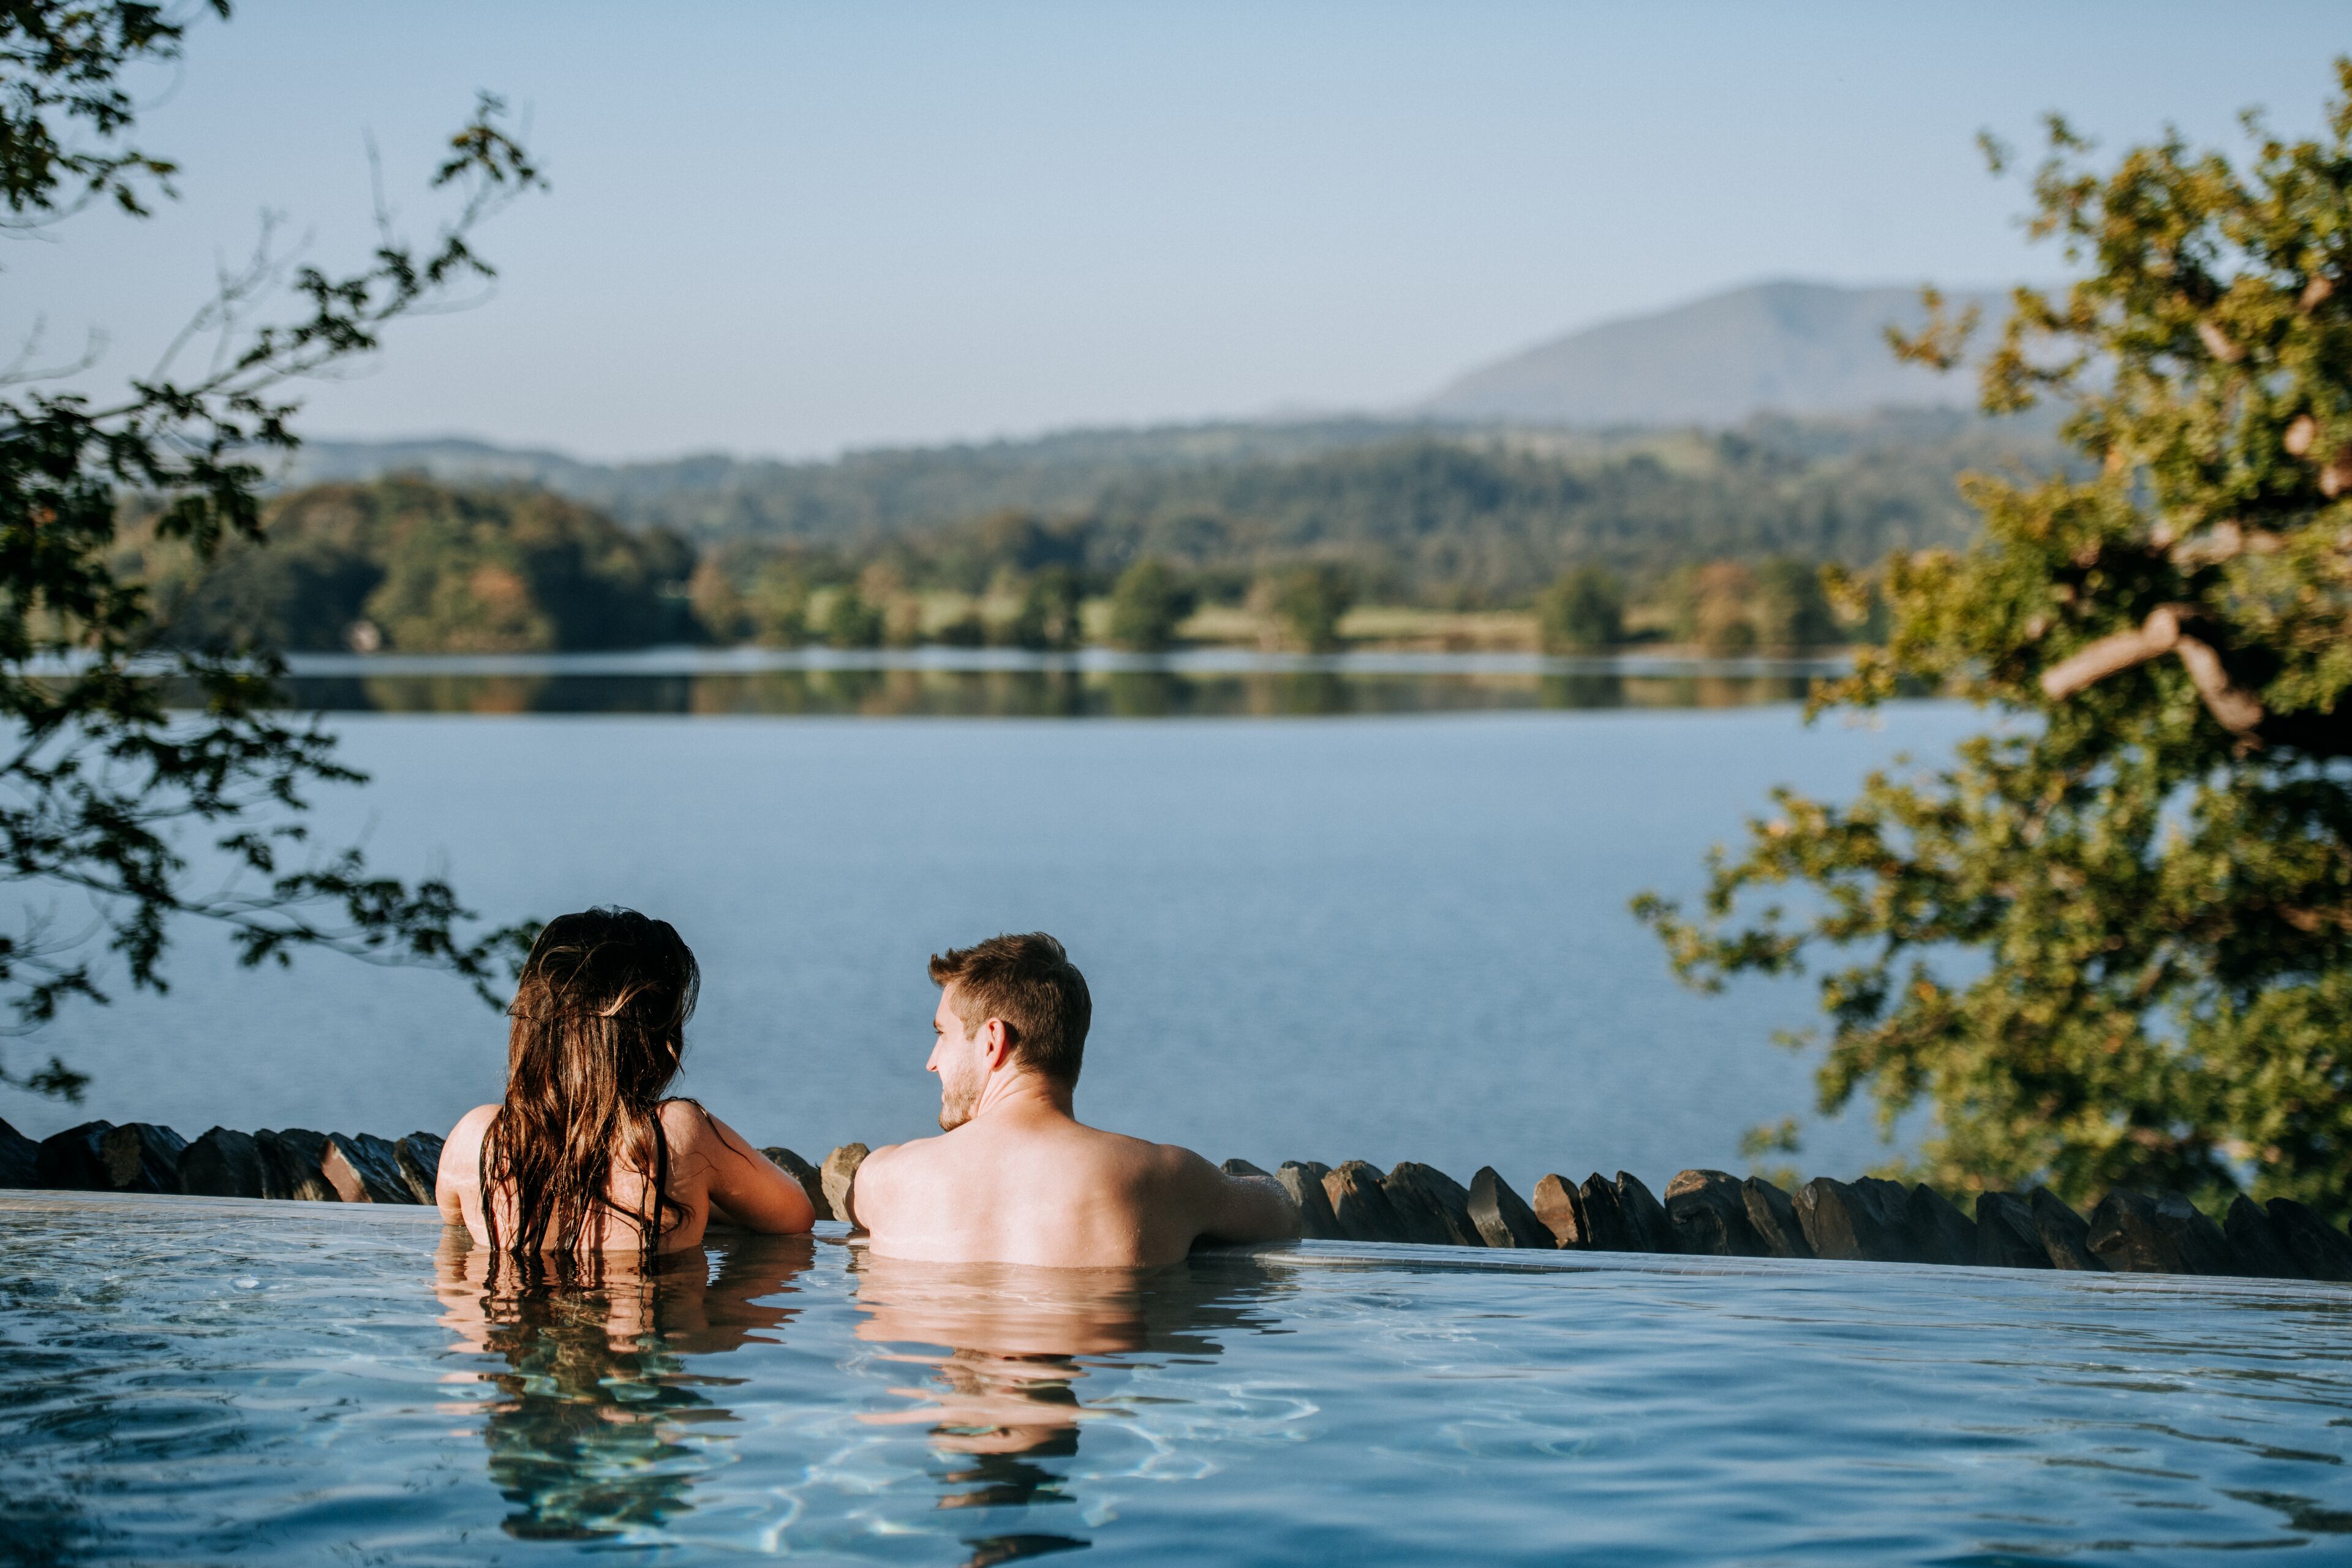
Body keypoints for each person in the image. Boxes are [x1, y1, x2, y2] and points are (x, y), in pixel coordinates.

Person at [851, 932, 1300, 1267]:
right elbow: (1281, 1210)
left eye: (942, 1035)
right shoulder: (1155, 1178)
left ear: (992, 1042)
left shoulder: (885, 1179)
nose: (932, 1062)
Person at [437, 907, 815, 1254]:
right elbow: (794, 1216)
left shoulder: (478, 1137)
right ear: (659, 1037)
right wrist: (703, 1199)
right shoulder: (676, 1135)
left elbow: (454, 1218)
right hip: (647, 1324)